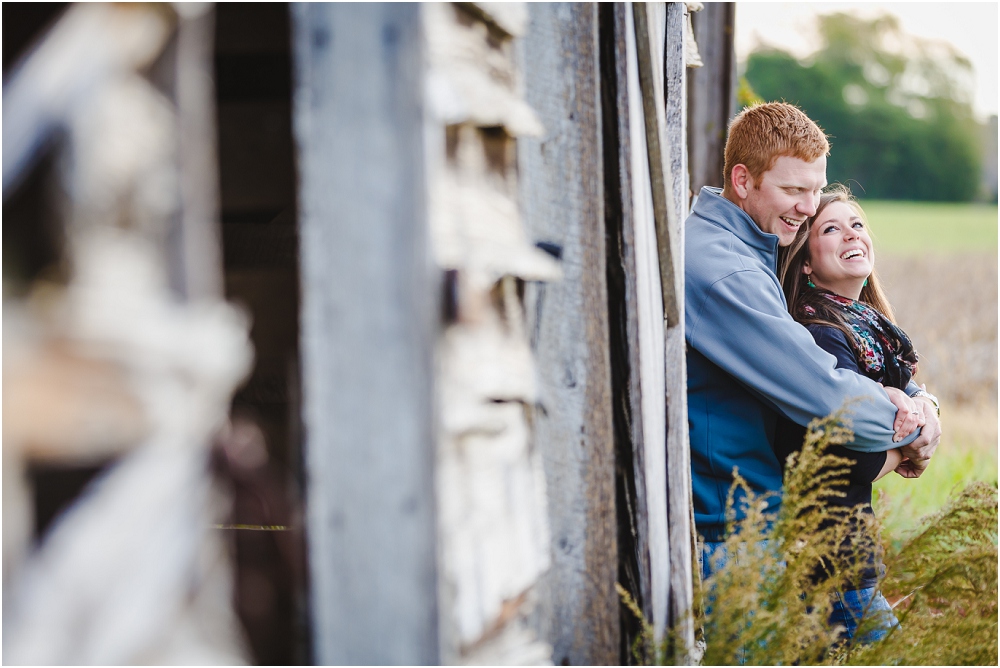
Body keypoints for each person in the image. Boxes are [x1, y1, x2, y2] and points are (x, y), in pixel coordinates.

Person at [685, 102, 942, 582]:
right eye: (793, 190)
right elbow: (827, 396)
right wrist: (916, 429)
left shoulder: (747, 248)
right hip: (730, 535)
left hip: (755, 526)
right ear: (743, 181)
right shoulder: (727, 271)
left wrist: (921, 401)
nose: (808, 207)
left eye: (817, 189)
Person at [775, 187, 924, 643]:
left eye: (856, 224)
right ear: (805, 262)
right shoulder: (820, 334)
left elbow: (906, 389)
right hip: (832, 562)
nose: (851, 234)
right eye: (831, 229)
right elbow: (850, 462)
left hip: (850, 557)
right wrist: (908, 451)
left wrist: (923, 410)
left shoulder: (865, 328)